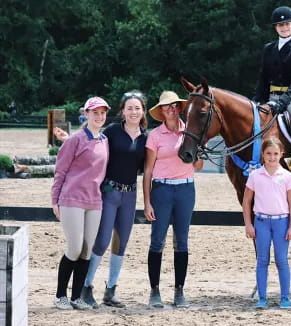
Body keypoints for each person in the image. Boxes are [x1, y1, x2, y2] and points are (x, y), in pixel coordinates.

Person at [78, 90, 148, 308]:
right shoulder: (112, 132)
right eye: (130, 108)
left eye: (137, 108)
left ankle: (111, 289)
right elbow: (92, 147)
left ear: (143, 111)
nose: (134, 111)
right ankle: (86, 286)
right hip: (109, 192)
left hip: (130, 194)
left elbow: (149, 167)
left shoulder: (147, 138)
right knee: (102, 240)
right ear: (123, 111)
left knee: (122, 242)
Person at [143, 91, 203, 308]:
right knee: (157, 240)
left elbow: (198, 166)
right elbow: (148, 170)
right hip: (162, 190)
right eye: (166, 106)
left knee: (182, 241)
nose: (171, 109)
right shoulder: (155, 136)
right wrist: (147, 201)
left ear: (179, 108)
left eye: (174, 105)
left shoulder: (190, 131)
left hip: (186, 190)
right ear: (160, 110)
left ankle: (179, 291)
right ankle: (155, 291)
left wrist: (198, 157)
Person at [51, 97, 110, 310]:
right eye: (95, 112)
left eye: (103, 113)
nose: (99, 116)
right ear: (86, 114)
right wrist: (55, 200)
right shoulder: (75, 140)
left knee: (86, 250)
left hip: (94, 202)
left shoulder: (104, 141)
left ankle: (76, 297)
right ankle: (60, 296)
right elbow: (61, 171)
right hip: (71, 199)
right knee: (74, 248)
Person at [242, 137, 291, 309]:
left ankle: (285, 297)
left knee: (282, 260)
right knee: (262, 260)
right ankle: (262, 298)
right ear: (263, 154)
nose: (272, 157)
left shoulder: (287, 176)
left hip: (281, 223)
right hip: (261, 222)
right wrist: (249, 225)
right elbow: (246, 202)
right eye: (268, 154)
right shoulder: (254, 175)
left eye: (275, 153)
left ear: (281, 154)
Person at [253, 6, 291, 138]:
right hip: (270, 97)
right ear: (275, 27)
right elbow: (263, 78)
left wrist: (282, 102)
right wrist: (257, 99)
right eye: (280, 25)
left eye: (287, 24)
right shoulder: (268, 49)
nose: (284, 27)